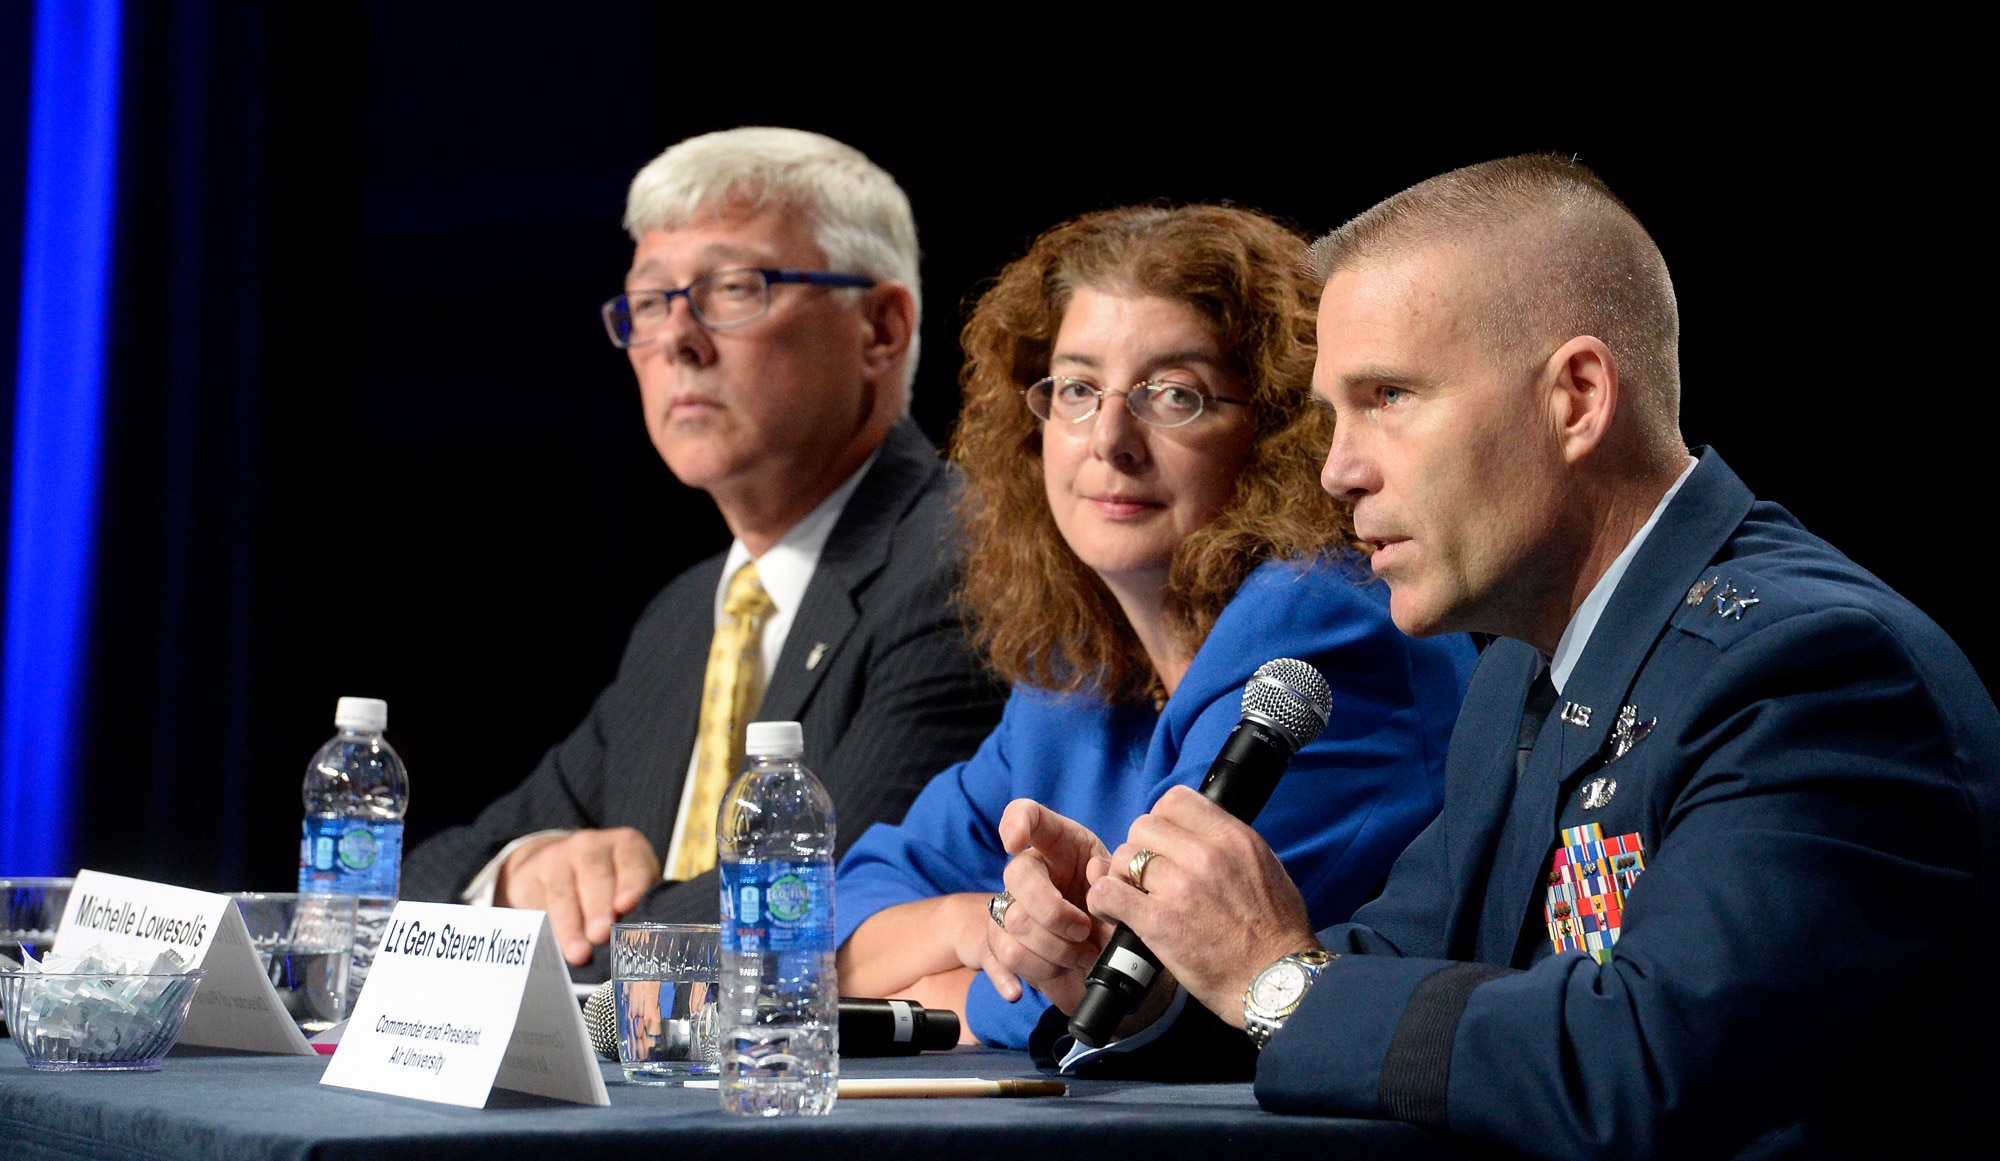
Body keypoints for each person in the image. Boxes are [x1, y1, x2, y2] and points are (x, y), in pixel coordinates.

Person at [1021, 156, 2000, 1158]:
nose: (1337, 471)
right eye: (1330, 416)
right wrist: (1163, 981)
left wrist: (1274, 981)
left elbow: (1641, 1065)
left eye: (1388, 397)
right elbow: (1395, 970)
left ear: (1575, 399)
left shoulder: (1817, 670)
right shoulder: (1518, 672)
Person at [833, 205, 1477, 1048]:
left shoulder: (1323, 628)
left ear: (1283, 426)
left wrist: (949, 999)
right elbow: (846, 908)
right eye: (1075, 389)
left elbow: (1134, 988)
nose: (1108, 439)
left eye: (1174, 395)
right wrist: (968, 923)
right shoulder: (1075, 671)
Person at [401, 128, 1006, 969]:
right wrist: (520, 876)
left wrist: (546, 941)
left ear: (880, 327)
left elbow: (805, 913)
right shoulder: (687, 616)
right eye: (650, 302)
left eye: (733, 287)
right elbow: (423, 883)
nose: (677, 340)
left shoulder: (965, 566)